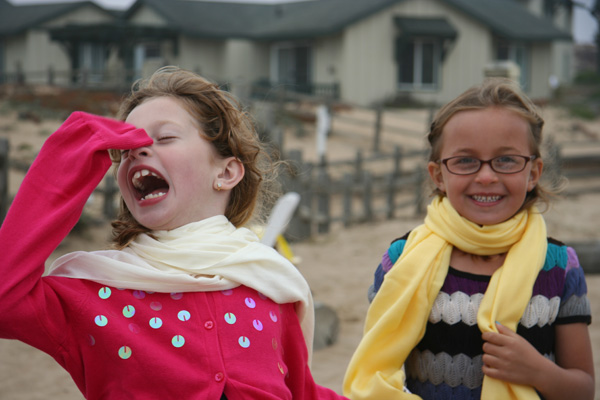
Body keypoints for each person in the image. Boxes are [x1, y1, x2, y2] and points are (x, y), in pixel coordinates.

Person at [0, 66, 348, 400]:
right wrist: (64, 158)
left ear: (226, 172)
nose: (137, 151)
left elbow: (302, 392)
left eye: (164, 137)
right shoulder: (93, 291)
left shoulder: (270, 284)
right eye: (124, 149)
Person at [343, 78, 594, 400]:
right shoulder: (402, 259)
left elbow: (583, 389)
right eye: (465, 161)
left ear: (533, 173)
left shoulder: (560, 267)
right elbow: (376, 367)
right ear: (438, 175)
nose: (486, 176)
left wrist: (536, 371)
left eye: (506, 160)